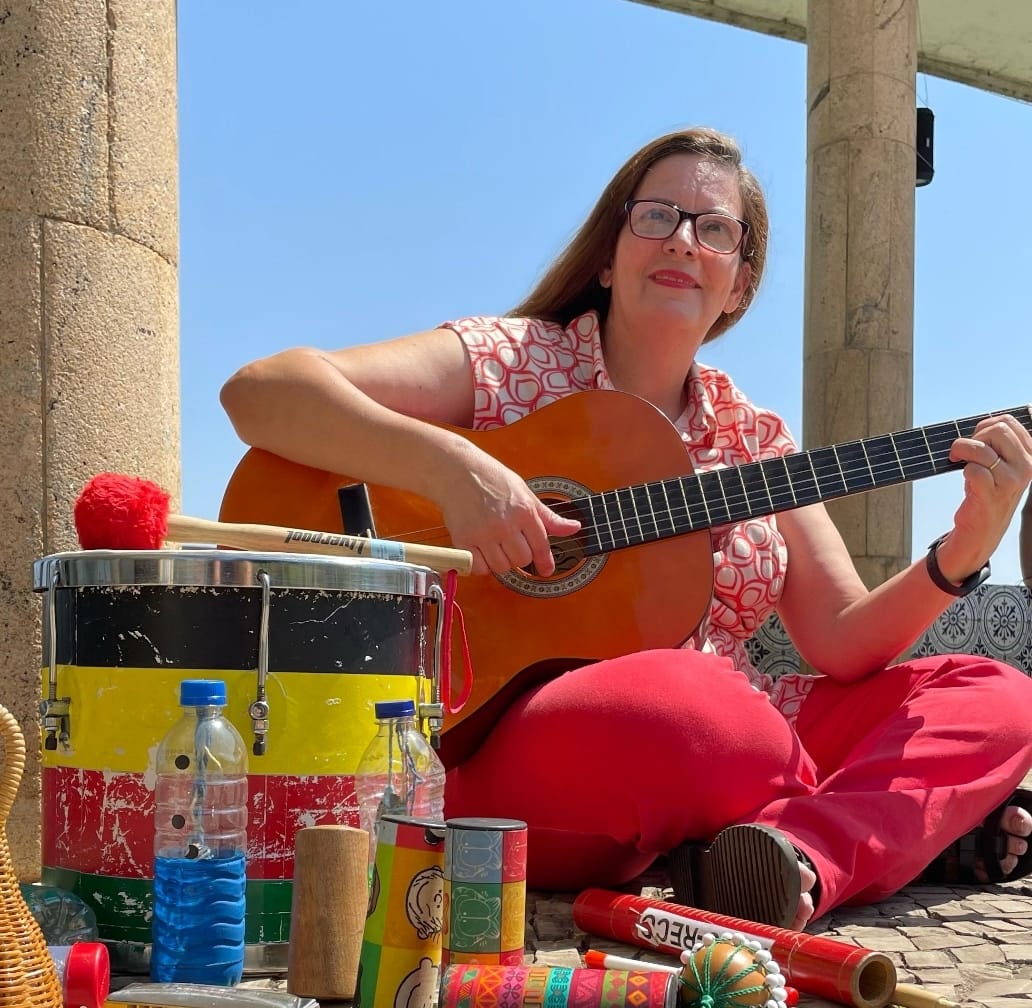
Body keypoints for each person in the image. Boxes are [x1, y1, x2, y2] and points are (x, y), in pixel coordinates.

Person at [221, 128, 1032, 931]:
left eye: (715, 229)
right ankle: (894, 826)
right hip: (507, 743)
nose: (683, 239)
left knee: (1000, 697)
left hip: (728, 743)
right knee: (698, 710)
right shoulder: (514, 363)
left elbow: (844, 643)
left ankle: (795, 856)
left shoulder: (755, 439)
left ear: (739, 285)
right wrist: (453, 473)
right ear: (607, 257)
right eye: (656, 216)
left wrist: (963, 550)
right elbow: (262, 392)